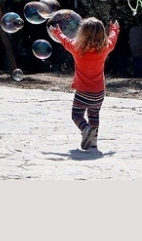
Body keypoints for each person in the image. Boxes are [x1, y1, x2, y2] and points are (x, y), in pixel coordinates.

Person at [49, 17, 119, 151]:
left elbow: (64, 40)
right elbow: (113, 39)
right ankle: (93, 142)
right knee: (94, 115)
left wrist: (57, 32)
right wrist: (115, 28)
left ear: (82, 33)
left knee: (76, 115)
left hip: (83, 92)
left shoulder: (76, 48)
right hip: (99, 93)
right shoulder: (105, 47)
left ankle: (86, 129)